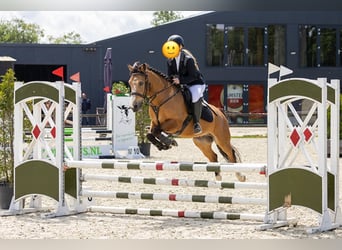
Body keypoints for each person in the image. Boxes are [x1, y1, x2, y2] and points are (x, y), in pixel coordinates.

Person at [165, 34, 206, 134]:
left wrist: (180, 81)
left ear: (180, 47)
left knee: (195, 96)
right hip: (183, 84)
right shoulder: (170, 60)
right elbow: (170, 75)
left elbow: (194, 76)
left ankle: (196, 124)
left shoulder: (188, 59)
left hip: (196, 83)